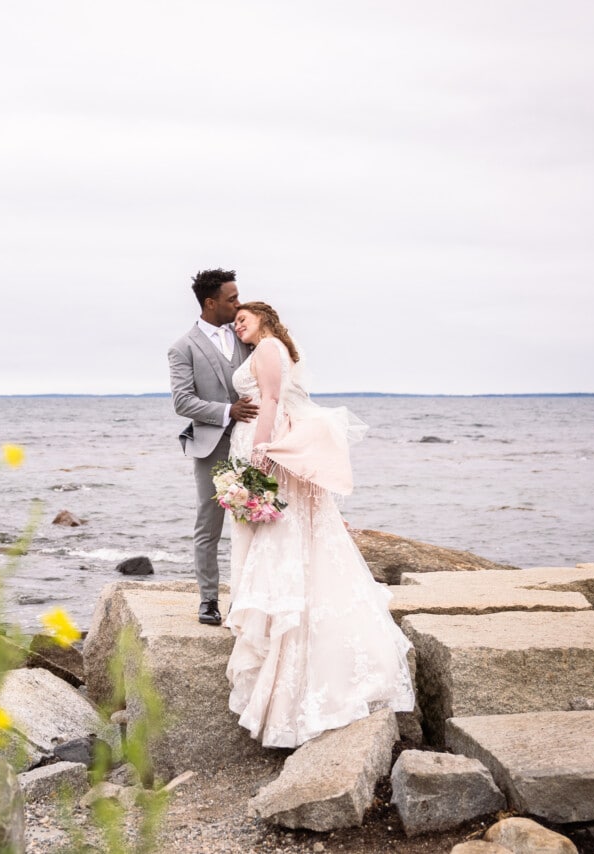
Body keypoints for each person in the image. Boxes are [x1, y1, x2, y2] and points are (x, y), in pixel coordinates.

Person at [224, 301, 414, 748]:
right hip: (260, 438)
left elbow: (270, 398)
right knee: (280, 530)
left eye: (243, 318)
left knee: (280, 532)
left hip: (266, 442)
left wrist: (263, 448)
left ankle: (285, 631)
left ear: (264, 319)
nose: (237, 324)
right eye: (235, 320)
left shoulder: (268, 346)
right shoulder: (268, 346)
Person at [167, 269, 257, 625]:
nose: (238, 303)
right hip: (211, 446)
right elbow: (183, 402)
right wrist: (226, 411)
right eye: (232, 298)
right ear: (211, 303)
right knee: (209, 525)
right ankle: (208, 600)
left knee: (255, 519)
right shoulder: (183, 347)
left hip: (252, 444)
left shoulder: (248, 337)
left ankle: (248, 597)